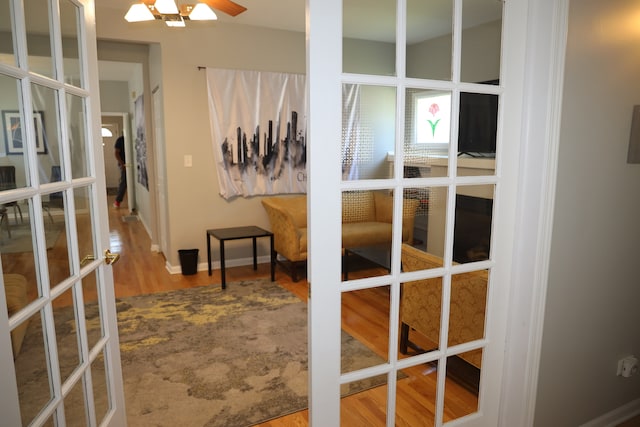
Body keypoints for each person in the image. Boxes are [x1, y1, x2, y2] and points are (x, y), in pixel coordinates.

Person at [114, 135, 126, 208]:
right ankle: (117, 201)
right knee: (124, 182)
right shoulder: (120, 140)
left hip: (131, 164)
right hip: (123, 164)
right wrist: (122, 164)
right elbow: (116, 153)